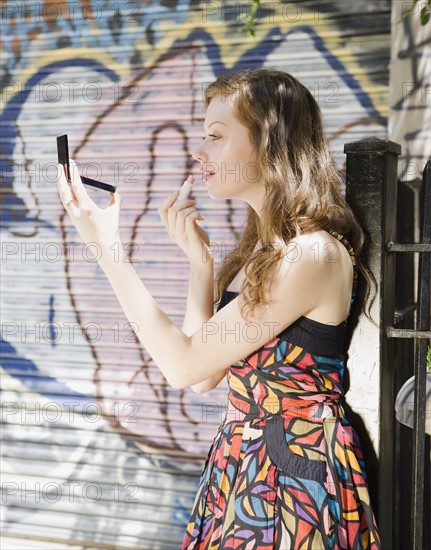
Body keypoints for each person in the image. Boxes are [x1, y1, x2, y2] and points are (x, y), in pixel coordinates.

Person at [57, 67, 381, 549]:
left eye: (215, 135)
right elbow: (206, 374)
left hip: (293, 476)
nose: (198, 151)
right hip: (246, 465)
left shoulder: (310, 254)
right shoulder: (268, 253)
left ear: (269, 144)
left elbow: (183, 366)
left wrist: (108, 249)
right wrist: (200, 264)